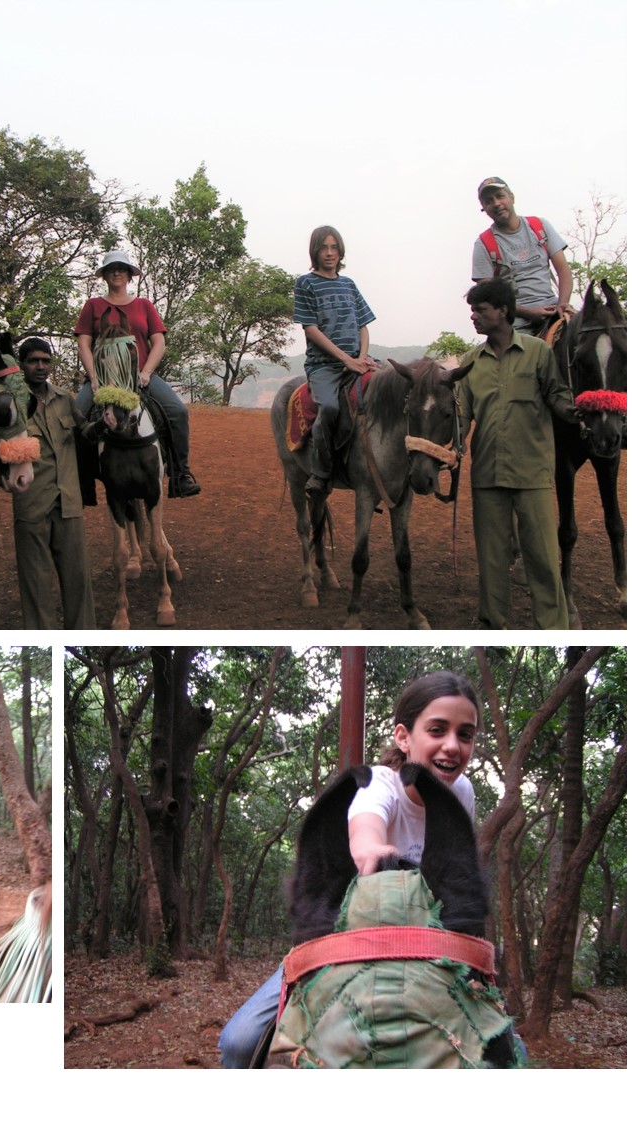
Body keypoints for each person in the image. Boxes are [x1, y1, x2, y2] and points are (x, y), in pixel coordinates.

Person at [218, 669, 481, 1069]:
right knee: (239, 1041)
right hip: (345, 934)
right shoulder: (378, 784)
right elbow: (365, 830)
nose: (452, 746)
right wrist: (373, 850)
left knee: (505, 1050)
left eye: (465, 734)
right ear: (404, 736)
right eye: (437, 730)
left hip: (426, 944)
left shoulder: (462, 793)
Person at [459, 279, 580, 630]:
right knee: (492, 559)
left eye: (481, 310)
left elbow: (556, 396)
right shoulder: (470, 362)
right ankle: (493, 623)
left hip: (533, 472)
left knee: (542, 556)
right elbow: (462, 416)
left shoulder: (538, 353)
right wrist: (454, 448)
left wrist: (574, 411)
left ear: (503, 311)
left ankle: (554, 625)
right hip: (487, 473)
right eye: (472, 311)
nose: (475, 317)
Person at [74, 250, 201, 497]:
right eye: (112, 269)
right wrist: (93, 378)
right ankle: (82, 480)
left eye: (122, 268)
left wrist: (146, 372)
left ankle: (179, 474)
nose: (117, 272)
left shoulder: (144, 305)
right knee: (75, 417)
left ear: (130, 274)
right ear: (105, 275)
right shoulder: (93, 305)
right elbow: (83, 344)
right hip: (103, 378)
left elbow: (159, 343)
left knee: (177, 412)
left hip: (140, 377)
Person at [11, 337, 96, 629]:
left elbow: (86, 433)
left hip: (68, 501)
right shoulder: (12, 404)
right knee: (35, 584)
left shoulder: (64, 398)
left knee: (78, 580)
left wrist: (109, 424)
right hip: (32, 503)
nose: (40, 366)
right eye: (34, 361)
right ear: (21, 365)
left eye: (46, 361)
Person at [293, 226, 377, 496]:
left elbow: (364, 325)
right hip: (324, 366)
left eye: (334, 247)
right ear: (314, 251)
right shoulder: (306, 283)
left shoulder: (349, 284)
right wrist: (345, 360)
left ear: (340, 250)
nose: (329, 253)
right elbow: (311, 329)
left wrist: (362, 358)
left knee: (393, 390)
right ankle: (320, 473)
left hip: (357, 358)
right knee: (328, 407)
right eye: (323, 247)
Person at [471, 177, 575, 334]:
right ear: (484, 208)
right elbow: (488, 297)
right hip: (515, 319)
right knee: (519, 354)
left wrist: (563, 303)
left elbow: (563, 270)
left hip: (553, 307)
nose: (496, 203)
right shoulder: (484, 244)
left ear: (511, 197)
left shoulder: (539, 226)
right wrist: (528, 312)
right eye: (488, 201)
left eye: (500, 196)